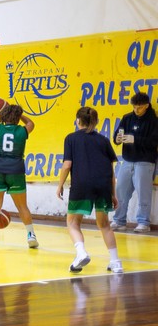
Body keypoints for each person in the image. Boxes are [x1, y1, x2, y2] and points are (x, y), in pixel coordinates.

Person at [56, 106, 121, 274]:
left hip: (82, 184)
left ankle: (81, 253)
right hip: (103, 184)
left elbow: (67, 165)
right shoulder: (104, 140)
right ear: (96, 121)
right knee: (104, 224)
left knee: (72, 222)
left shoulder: (71, 138)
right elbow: (111, 170)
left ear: (78, 121)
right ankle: (116, 262)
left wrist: (60, 184)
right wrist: (113, 193)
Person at [0, 102, 38, 249]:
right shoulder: (22, 131)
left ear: (2, 116)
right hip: (15, 171)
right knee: (22, 206)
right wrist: (20, 114)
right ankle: (31, 235)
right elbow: (31, 123)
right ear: (17, 118)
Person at [111, 92, 157, 233]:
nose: (136, 110)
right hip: (127, 159)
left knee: (144, 193)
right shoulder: (127, 118)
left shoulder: (154, 121)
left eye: (139, 107)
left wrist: (135, 139)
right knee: (120, 191)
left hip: (145, 161)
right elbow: (117, 135)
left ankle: (143, 222)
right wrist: (118, 139)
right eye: (134, 107)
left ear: (147, 105)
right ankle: (119, 221)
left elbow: (154, 141)